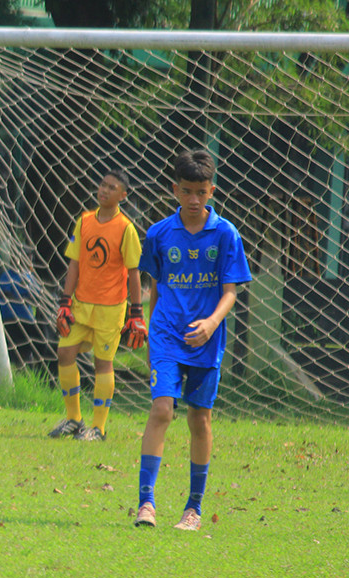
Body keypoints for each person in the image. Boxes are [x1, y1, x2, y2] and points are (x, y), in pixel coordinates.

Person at [133, 150, 251, 531]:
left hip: (206, 339)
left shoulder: (226, 234)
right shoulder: (158, 234)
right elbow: (156, 287)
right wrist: (152, 330)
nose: (194, 199)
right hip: (166, 334)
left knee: (199, 418)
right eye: (187, 191)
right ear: (175, 190)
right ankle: (146, 504)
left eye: (201, 191)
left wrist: (212, 323)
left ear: (211, 190)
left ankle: (193, 508)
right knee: (162, 410)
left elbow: (230, 290)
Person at [48, 170, 146, 442]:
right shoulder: (85, 221)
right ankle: (74, 419)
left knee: (102, 364)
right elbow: (75, 263)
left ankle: (99, 428)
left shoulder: (126, 228)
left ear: (122, 196)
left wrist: (136, 313)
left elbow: (134, 271)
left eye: (112, 187)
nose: (104, 190)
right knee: (65, 353)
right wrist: (65, 302)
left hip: (110, 309)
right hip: (80, 306)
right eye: (103, 185)